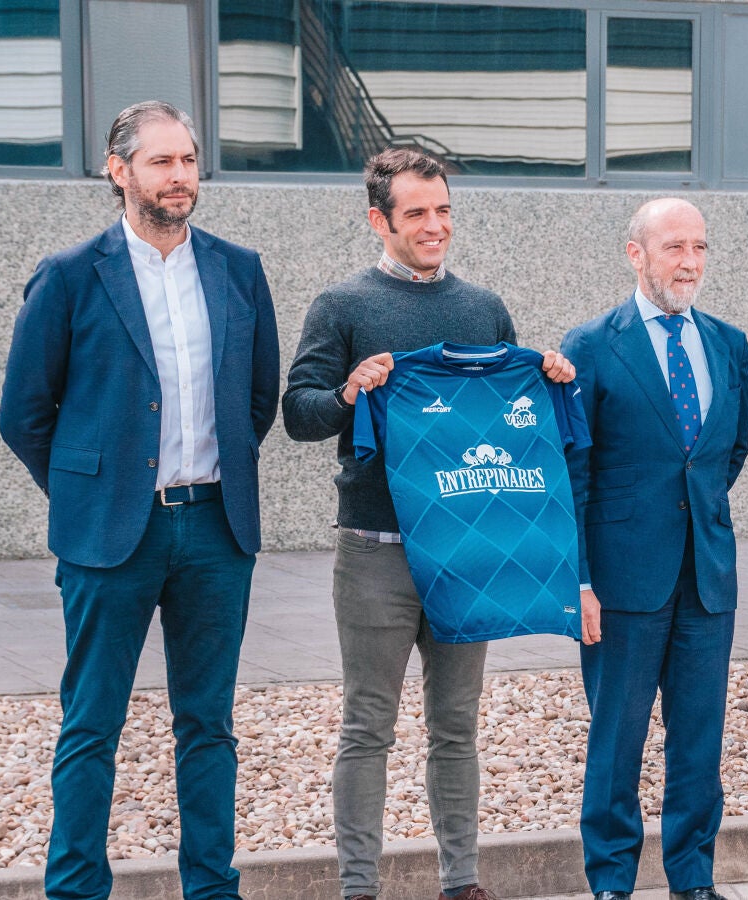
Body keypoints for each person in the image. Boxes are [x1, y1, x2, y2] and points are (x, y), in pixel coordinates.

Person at [0, 100, 279, 900]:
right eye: (161, 161)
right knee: (91, 724)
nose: (180, 175)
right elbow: (24, 415)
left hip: (217, 530)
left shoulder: (239, 270)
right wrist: (92, 492)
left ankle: (212, 888)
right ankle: (76, 889)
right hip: (110, 536)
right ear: (117, 170)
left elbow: (256, 400)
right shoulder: (69, 275)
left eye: (188, 159)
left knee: (209, 725)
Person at [281, 147, 573, 900]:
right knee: (367, 725)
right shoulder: (342, 306)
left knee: (457, 724)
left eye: (443, 210)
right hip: (375, 552)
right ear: (379, 220)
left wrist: (548, 381)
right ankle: (358, 889)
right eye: (416, 213)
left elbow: (507, 418)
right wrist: (349, 392)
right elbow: (298, 414)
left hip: (466, 548)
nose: (435, 225)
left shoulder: (484, 309)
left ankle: (462, 883)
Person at [560, 199, 748, 900]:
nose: (690, 262)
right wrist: (580, 580)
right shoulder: (589, 345)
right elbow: (572, 473)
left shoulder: (729, 343)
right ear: (636, 254)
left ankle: (692, 880)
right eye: (674, 247)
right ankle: (611, 881)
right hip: (622, 581)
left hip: (707, 576)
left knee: (699, 741)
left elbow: (727, 453)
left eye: (699, 247)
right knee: (618, 739)